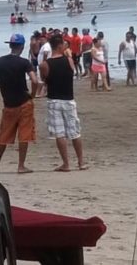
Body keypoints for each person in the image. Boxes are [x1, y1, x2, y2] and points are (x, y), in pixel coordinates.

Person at [0, 34, 37, 174]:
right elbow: (35, 81)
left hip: (9, 103)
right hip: (24, 102)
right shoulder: (24, 63)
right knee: (24, 134)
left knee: (3, 134)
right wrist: (32, 95)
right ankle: (21, 165)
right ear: (21, 47)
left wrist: (4, 85)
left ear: (10, 46)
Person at [40, 34, 87, 172]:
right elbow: (71, 73)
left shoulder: (45, 64)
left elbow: (44, 79)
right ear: (60, 45)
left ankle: (66, 164)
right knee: (75, 132)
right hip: (68, 99)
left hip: (54, 99)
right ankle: (81, 162)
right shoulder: (69, 61)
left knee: (59, 133)